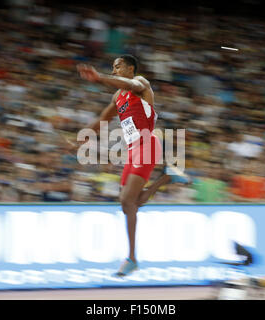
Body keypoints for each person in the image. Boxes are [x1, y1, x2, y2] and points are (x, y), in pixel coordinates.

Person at [77, 54, 189, 277]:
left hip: (147, 144)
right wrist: (84, 135)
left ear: (130, 68)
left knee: (129, 201)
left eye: (118, 66)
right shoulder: (117, 96)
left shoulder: (140, 84)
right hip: (132, 150)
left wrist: (100, 77)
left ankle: (132, 258)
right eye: (112, 67)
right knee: (128, 203)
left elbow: (129, 84)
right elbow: (103, 120)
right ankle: (166, 177)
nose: (115, 70)